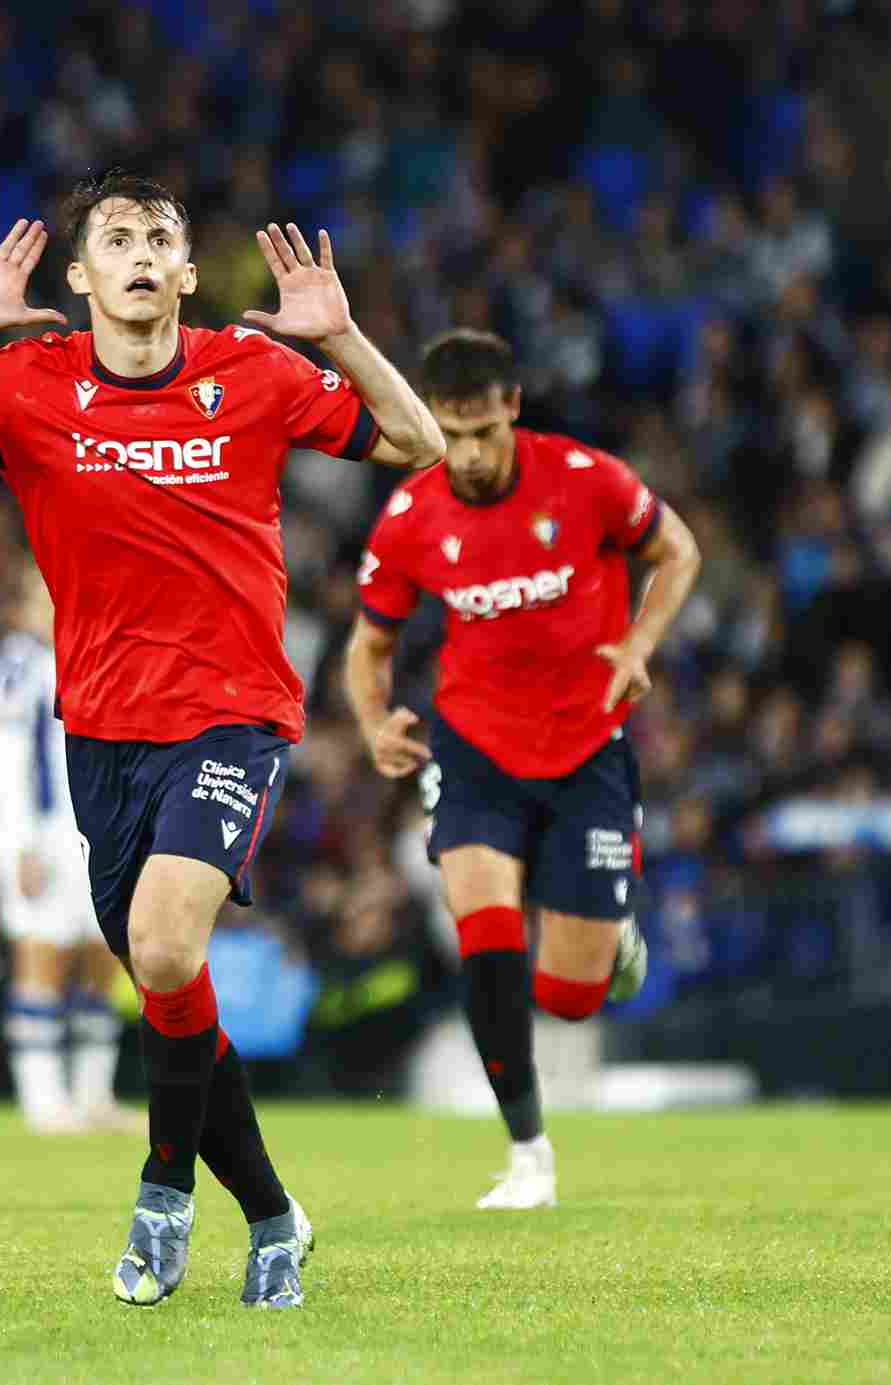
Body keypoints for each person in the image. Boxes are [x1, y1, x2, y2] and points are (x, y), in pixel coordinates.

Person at [0, 169, 444, 1308]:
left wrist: (343, 338)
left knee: (159, 946)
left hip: (232, 711)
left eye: (162, 235)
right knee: (168, 989)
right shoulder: (27, 384)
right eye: (117, 236)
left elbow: (418, 442)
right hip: (99, 733)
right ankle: (273, 1215)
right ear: (81, 275)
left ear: (188, 272)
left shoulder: (251, 372)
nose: (143, 250)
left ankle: (161, 1193)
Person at [343, 329, 701, 1210]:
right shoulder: (412, 513)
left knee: (570, 997)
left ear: (511, 409)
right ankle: (528, 1153)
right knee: (487, 933)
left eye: (480, 432)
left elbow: (678, 552)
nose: (464, 454)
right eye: (449, 433)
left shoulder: (586, 480)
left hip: (587, 748)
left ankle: (608, 937)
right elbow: (370, 642)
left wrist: (640, 642)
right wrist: (371, 718)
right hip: (477, 751)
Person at [0, 563, 137, 1133]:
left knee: (102, 960)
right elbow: (4, 770)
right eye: (43, 597)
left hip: (92, 835)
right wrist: (21, 844)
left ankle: (92, 1094)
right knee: (40, 957)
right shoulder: (16, 669)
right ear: (23, 605)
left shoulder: (94, 656)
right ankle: (42, 1101)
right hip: (37, 837)